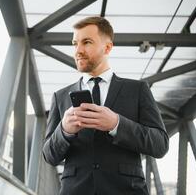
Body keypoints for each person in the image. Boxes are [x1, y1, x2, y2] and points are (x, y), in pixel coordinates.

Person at [42, 16, 169, 195]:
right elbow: (49, 156)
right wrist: (64, 130)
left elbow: (160, 144)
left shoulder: (138, 90)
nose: (78, 50)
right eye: (74, 43)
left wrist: (117, 124)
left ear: (107, 47)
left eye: (86, 42)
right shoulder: (60, 96)